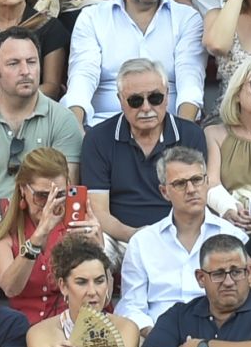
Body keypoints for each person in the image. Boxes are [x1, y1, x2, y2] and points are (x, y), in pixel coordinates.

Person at [64, 0, 205, 126]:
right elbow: (82, 79)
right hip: (104, 126)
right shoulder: (92, 18)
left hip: (168, 127)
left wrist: (182, 133)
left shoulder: (187, 19)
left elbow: (190, 82)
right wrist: (76, 131)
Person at [0, 33, 85, 224]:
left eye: (31, 62)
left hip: (45, 221)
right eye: (14, 63)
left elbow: (63, 194)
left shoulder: (64, 120)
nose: (26, 71)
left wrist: (38, 233)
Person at [83, 59, 211, 242]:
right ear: (120, 100)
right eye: (135, 101)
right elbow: (98, 212)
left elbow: (195, 203)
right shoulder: (98, 138)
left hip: (178, 235)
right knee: (91, 243)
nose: (146, 107)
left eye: (155, 98)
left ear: (167, 95)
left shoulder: (190, 135)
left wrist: (165, 240)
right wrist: (137, 237)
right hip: (118, 238)